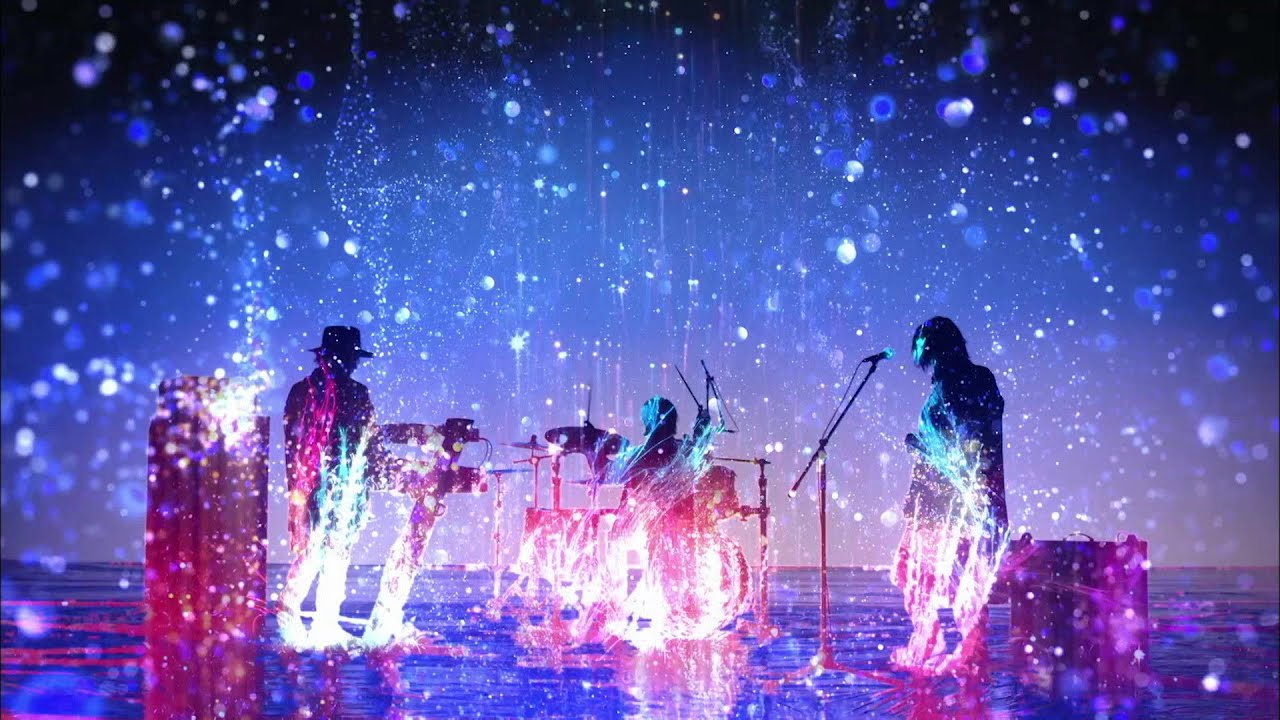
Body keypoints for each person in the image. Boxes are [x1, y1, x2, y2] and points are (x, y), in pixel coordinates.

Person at [890, 316, 1007, 676]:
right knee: (951, 578)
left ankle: (956, 649)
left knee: (931, 576)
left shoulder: (954, 384)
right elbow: (976, 437)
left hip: (949, 499)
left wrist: (925, 449)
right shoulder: (972, 379)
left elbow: (970, 441)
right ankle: (964, 649)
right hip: (958, 497)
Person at [277, 325, 384, 648]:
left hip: (331, 486)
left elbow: (292, 446)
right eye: (349, 357)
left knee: (326, 553)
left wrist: (297, 493)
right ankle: (303, 620)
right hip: (327, 486)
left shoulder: (306, 391)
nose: (350, 364)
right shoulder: (345, 393)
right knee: (321, 552)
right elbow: (371, 447)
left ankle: (309, 622)